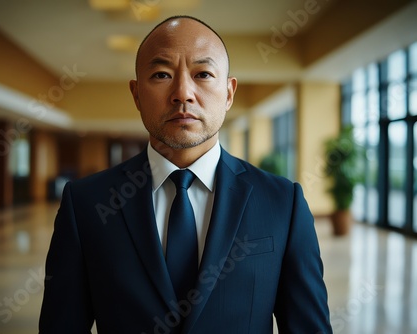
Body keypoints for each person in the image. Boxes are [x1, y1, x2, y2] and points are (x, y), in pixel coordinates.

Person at [39, 15, 332, 334]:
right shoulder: (84, 204)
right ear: (136, 94)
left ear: (229, 93)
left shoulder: (282, 203)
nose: (183, 93)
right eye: (162, 74)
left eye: (203, 74)